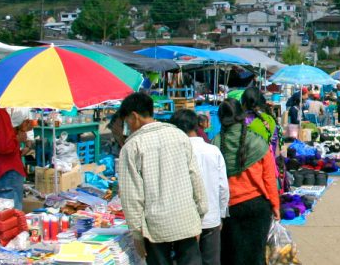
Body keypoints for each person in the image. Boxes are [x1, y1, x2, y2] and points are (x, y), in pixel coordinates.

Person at [116, 93, 208, 265]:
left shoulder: (132, 146)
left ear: (134, 116)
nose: (127, 126)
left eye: (127, 121)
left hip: (155, 227)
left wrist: (136, 233)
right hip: (186, 218)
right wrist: (200, 215)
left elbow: (131, 196)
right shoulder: (179, 136)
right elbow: (195, 177)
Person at [217, 99, 280, 265]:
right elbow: (269, 179)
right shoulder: (258, 143)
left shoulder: (215, 144)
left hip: (229, 209)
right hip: (258, 207)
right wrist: (275, 205)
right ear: (242, 116)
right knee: (255, 255)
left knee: (231, 256)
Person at [168, 110, 229, 265]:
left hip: (184, 220)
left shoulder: (175, 153)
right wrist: (221, 214)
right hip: (211, 217)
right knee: (211, 260)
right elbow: (223, 187)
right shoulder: (213, 151)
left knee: (187, 260)